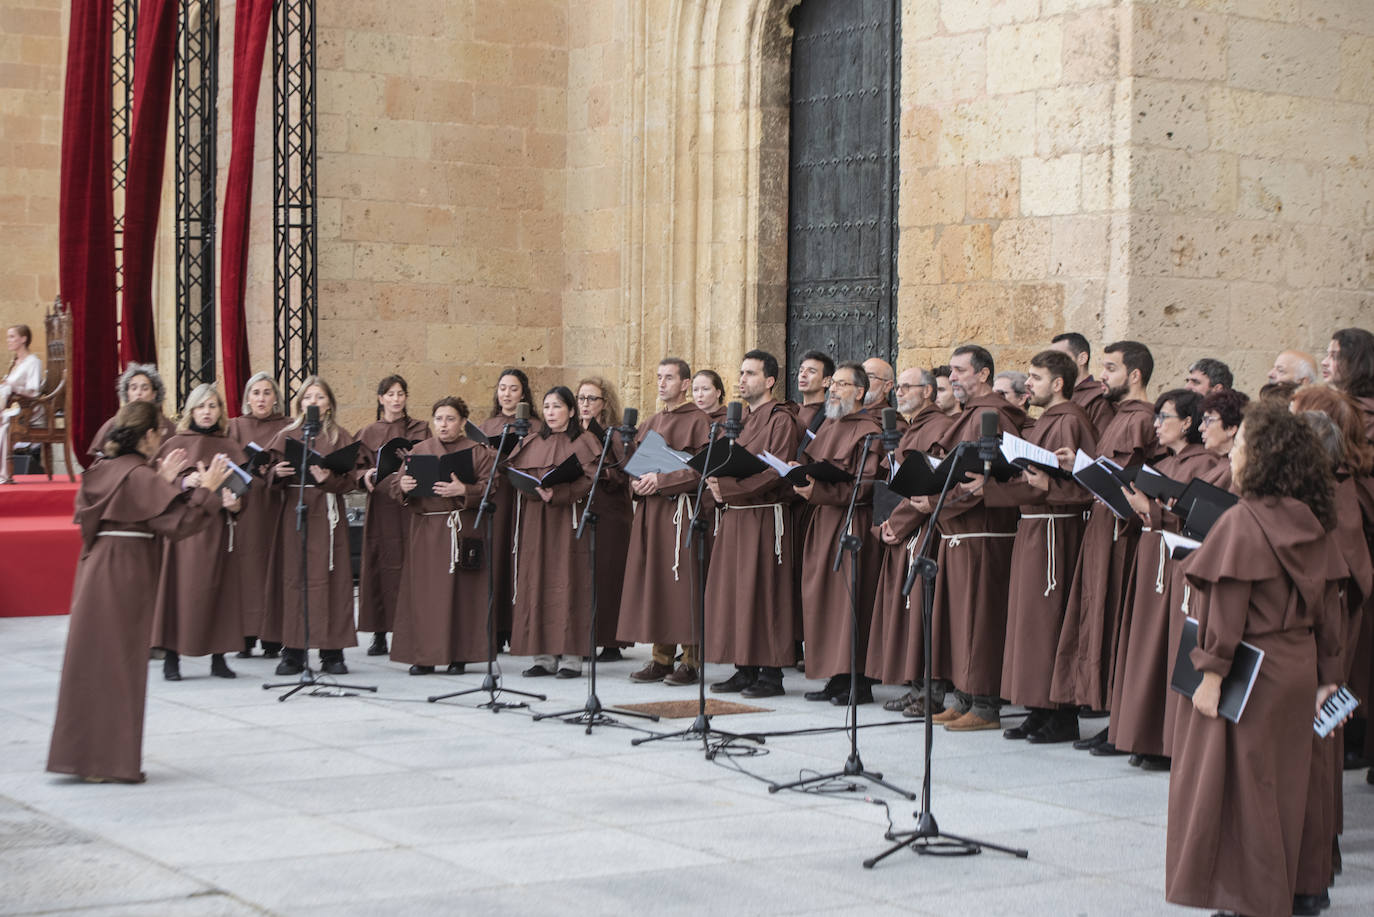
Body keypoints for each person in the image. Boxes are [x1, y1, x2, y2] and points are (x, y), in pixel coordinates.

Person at [1166, 403, 1348, 917]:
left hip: (1250, 671)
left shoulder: (1243, 522)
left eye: (1243, 443)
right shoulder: (1312, 519)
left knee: (1242, 790)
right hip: (1299, 667)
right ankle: (1299, 890)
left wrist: (1210, 674)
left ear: (1264, 457)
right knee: (1290, 783)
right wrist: (1327, 679)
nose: (1235, 451)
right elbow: (1330, 611)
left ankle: (1250, 900)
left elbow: (1226, 611)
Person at [46, 400, 231, 783]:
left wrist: (158, 479)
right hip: (125, 572)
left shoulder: (104, 469)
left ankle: (80, 757)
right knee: (119, 663)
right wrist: (209, 491)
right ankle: (106, 763)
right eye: (158, 435)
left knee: (90, 661)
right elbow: (180, 524)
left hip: (96, 566)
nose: (160, 441)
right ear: (146, 435)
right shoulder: (140, 477)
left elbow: (127, 503)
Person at [1051, 341, 1162, 751]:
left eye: (1111, 368)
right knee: (1096, 617)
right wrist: (1076, 467)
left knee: (1114, 620)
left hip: (1122, 535)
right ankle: (1110, 717)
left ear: (1134, 375)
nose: (1102, 376)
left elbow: (1140, 481)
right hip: (1100, 529)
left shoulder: (1143, 420)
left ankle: (1122, 723)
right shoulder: (1119, 417)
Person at [1288, 387, 1373, 912]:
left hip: (1322, 640)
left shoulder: (1336, 491)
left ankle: (1317, 856)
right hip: (1316, 636)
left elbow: (1348, 573)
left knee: (1318, 748)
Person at [987, 350, 1095, 743]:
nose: (1027, 384)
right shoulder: (1046, 420)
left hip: (1055, 532)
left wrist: (1052, 487)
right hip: (1034, 528)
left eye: (1035, 377)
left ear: (1059, 383)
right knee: (1029, 623)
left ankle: (1061, 715)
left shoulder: (1069, 421)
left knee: (1049, 622)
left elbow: (1083, 486)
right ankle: (1037, 708)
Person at [1112, 389, 1223, 768]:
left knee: (1172, 644)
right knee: (1147, 647)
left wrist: (1155, 512)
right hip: (1151, 561)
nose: (1156, 425)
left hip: (1177, 566)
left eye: (1165, 417)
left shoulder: (1204, 463)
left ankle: (1169, 742)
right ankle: (1143, 735)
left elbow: (1205, 520)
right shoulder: (1164, 462)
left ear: (1188, 423)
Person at [918, 345, 1027, 730]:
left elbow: (994, 476)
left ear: (982, 374)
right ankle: (963, 696)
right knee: (958, 621)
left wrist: (934, 500)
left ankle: (984, 705)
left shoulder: (992, 415)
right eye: (951, 371)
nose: (952, 378)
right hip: (957, 535)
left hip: (984, 536)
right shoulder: (967, 416)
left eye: (960, 371)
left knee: (980, 619)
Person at [705, 350, 802, 697]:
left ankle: (771, 674)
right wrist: (713, 482)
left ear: (770, 380)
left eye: (750, 373)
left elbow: (776, 471)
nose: (741, 379)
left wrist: (728, 488)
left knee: (765, 592)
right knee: (736, 592)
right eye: (741, 373)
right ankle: (743, 668)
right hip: (735, 516)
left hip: (763, 515)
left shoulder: (781, 419)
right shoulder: (738, 419)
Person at [619, 358, 711, 686]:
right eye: (658, 377)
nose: (661, 383)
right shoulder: (650, 422)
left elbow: (703, 468)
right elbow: (635, 466)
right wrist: (636, 483)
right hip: (652, 514)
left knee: (683, 583)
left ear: (685, 384)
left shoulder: (700, 421)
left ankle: (691, 660)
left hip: (682, 513)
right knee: (657, 583)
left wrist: (662, 481)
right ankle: (660, 657)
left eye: (669, 378)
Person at [795, 361, 883, 705]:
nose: (833, 390)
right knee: (825, 600)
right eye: (833, 385)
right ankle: (835, 676)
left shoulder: (869, 429)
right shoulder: (831, 426)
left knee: (850, 600)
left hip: (853, 524)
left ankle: (857, 682)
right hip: (824, 521)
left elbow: (866, 486)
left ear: (860, 392)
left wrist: (818, 491)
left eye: (842, 385)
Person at [389, 397, 497, 675]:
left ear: (463, 422)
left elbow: (491, 486)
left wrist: (464, 490)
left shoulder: (478, 451)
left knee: (461, 596)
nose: (444, 424)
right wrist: (403, 484)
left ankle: (458, 655)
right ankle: (424, 655)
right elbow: (396, 486)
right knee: (425, 596)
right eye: (439, 419)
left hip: (461, 529)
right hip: (426, 531)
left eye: (450, 419)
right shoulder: (419, 450)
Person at [869, 365, 952, 715]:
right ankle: (916, 687)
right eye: (898, 387)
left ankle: (930, 693)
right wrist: (885, 523)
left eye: (907, 387)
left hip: (924, 530)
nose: (899, 392)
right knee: (908, 611)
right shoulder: (914, 427)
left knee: (922, 611)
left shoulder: (939, 428)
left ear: (928, 392)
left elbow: (930, 485)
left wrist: (897, 523)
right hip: (905, 528)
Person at [150, 383, 247, 681]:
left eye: (212, 406)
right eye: (201, 406)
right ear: (191, 410)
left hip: (216, 527)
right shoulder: (175, 443)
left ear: (220, 412)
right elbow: (156, 486)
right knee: (177, 592)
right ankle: (172, 658)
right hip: (183, 530)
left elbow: (242, 493)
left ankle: (218, 658)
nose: (207, 412)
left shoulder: (229, 446)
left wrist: (234, 505)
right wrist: (184, 482)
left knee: (218, 591)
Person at [266, 377, 361, 676]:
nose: (314, 402)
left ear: (329, 404)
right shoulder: (287, 434)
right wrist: (276, 472)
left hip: (328, 512)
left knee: (332, 581)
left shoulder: (339, 436)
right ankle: (292, 650)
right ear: (299, 403)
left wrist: (328, 479)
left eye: (320, 397)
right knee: (295, 579)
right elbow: (266, 472)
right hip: (296, 512)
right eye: (308, 397)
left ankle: (331, 651)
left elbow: (352, 480)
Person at [508, 386, 601, 678]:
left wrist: (560, 492)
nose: (550, 412)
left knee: (569, 581)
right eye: (546, 407)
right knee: (538, 581)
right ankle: (543, 656)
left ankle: (571, 658)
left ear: (571, 411)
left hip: (568, 519)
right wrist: (534, 487)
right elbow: (515, 472)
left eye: (557, 406)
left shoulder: (585, 441)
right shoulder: (532, 441)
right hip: (537, 519)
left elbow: (591, 479)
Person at [355, 375, 431, 657]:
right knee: (380, 566)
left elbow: (432, 458)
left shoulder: (420, 428)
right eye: (391, 394)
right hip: (381, 507)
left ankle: (410, 628)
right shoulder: (367, 432)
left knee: (411, 565)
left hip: (411, 504)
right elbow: (355, 469)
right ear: (381, 398)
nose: (397, 399)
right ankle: (379, 634)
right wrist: (365, 475)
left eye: (401, 393)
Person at [225, 372, 291, 658]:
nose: (261, 398)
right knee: (246, 569)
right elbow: (224, 460)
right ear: (247, 398)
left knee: (275, 567)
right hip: (247, 504)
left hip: (277, 503)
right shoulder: (235, 426)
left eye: (267, 392)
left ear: (275, 397)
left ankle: (273, 637)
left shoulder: (288, 426)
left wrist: (275, 469)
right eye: (256, 393)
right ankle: (245, 635)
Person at [477, 368, 543, 647]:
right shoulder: (487, 425)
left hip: (524, 499)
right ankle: (495, 628)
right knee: (497, 558)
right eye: (502, 388)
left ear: (524, 394)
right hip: (497, 499)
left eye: (513, 389)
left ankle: (520, 628)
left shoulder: (537, 426)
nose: (506, 394)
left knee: (521, 560)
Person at [576, 375, 632, 660]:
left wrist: (602, 472)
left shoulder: (616, 433)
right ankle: (585, 637)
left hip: (611, 512)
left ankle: (611, 641)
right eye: (581, 398)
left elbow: (625, 472)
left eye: (591, 399)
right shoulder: (573, 432)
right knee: (584, 575)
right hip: (584, 509)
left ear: (604, 403)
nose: (585, 405)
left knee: (608, 574)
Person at [87, 363, 177, 458]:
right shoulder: (114, 423)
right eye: (134, 388)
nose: (139, 393)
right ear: (127, 394)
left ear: (154, 394)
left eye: (145, 388)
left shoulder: (166, 426)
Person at [1051, 332, 1115, 436]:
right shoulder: (1060, 396)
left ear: (1082, 358)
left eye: (1060, 357)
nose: (1053, 365)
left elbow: (1102, 444)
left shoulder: (1099, 399)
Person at [1, 323, 42, 483]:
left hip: (28, 410)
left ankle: (4, 473)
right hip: (14, 406)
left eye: (12, 336)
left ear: (23, 339)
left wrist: (11, 386)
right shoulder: (16, 362)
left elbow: (33, 391)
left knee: (4, 425)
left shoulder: (33, 361)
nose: (8, 340)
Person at [1322, 327, 1374, 437]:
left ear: (1358, 362)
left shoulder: (1365, 415)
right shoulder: (1339, 403)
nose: (1324, 362)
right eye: (1327, 355)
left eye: (1335, 356)